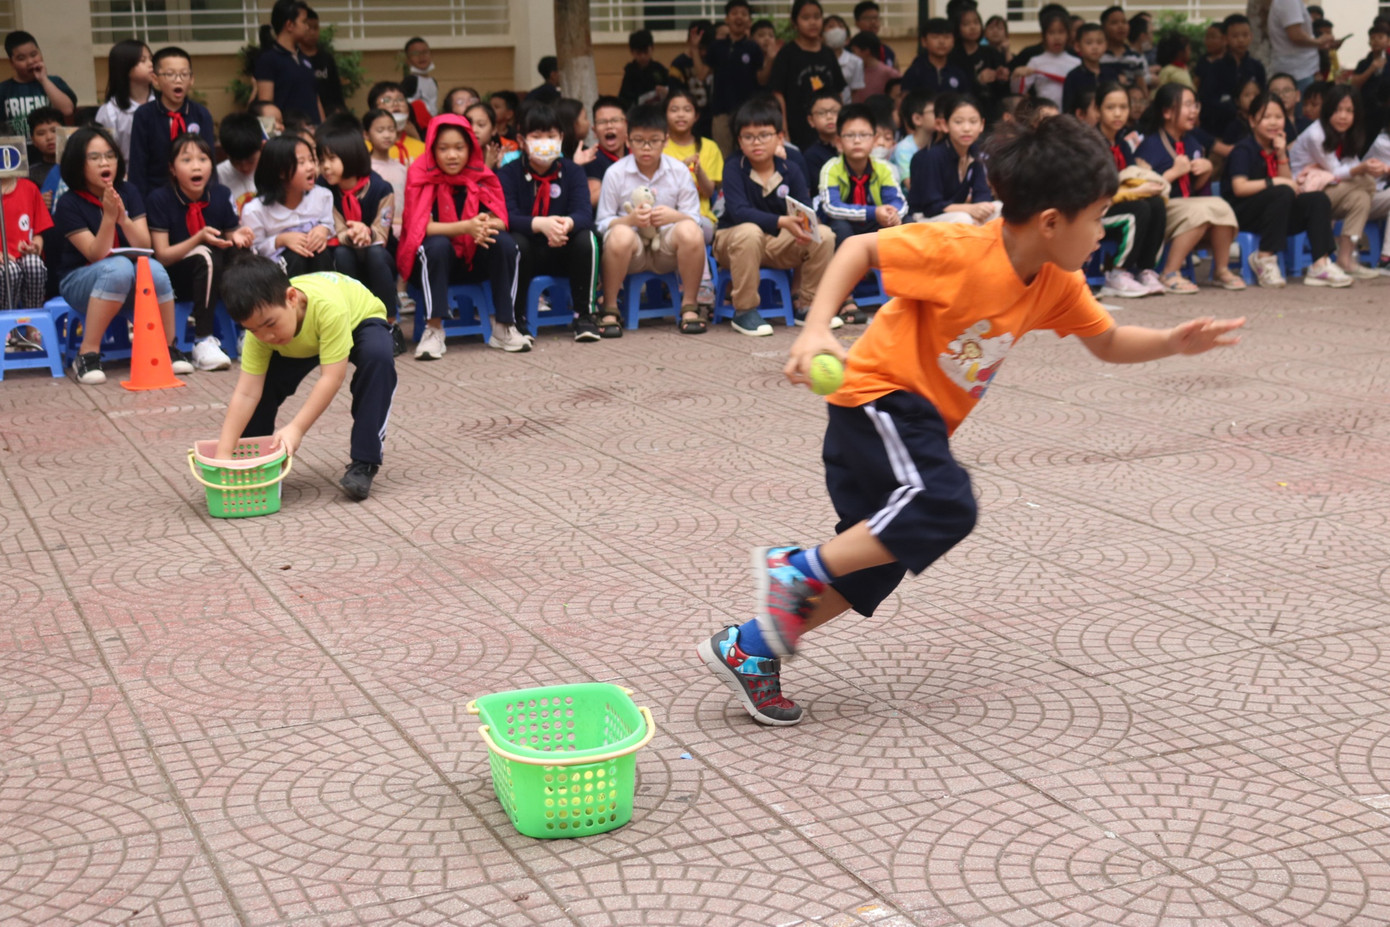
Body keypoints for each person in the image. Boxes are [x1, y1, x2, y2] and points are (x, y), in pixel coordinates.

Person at [696, 113, 1246, 727]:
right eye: (1097, 217)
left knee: (878, 560)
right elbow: (858, 248)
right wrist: (819, 328)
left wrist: (1174, 340)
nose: (1103, 231)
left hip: (916, 421)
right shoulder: (958, 248)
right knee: (947, 504)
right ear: (1050, 222)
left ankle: (748, 647)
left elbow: (1110, 342)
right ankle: (792, 571)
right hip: (880, 398)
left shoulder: (1056, 282)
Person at [216, 252, 396, 500]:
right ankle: (255, 462)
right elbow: (247, 392)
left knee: (378, 359)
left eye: (270, 324)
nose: (265, 336)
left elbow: (331, 378)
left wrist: (296, 429)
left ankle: (364, 462)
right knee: (263, 388)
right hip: (302, 338)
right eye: (253, 330)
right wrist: (223, 455)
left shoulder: (328, 309)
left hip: (358, 320)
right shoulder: (261, 334)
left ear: (291, 298)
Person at [53, 126, 193, 385]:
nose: (104, 162)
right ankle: (87, 355)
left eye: (110, 155)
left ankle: (168, 347)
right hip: (79, 282)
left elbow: (144, 243)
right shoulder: (68, 203)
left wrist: (123, 218)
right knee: (118, 267)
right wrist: (108, 219)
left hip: (127, 280)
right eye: (94, 157)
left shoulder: (128, 192)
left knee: (153, 269)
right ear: (77, 163)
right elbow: (96, 254)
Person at [397, 114, 530, 359]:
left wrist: (483, 226)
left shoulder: (481, 174)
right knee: (435, 245)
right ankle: (434, 330)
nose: (452, 155)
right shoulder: (420, 174)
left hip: (472, 259)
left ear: (470, 148)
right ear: (432, 149)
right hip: (432, 267)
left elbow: (502, 219)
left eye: (459, 148)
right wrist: (466, 227)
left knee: (503, 242)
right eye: (443, 148)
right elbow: (421, 228)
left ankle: (504, 326)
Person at [715, 96, 836, 337]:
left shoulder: (791, 169)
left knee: (824, 234)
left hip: (778, 243)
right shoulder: (733, 167)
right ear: (739, 141)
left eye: (764, 135)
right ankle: (745, 311)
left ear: (780, 137)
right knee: (750, 231)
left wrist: (805, 230)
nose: (756, 142)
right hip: (734, 242)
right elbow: (738, 211)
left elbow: (805, 210)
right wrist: (782, 222)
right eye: (748, 137)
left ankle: (808, 305)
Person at [595, 103, 706, 337]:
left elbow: (695, 218)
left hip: (666, 249)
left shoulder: (678, 171)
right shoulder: (616, 173)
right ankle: (611, 309)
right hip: (631, 251)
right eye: (639, 140)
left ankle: (689, 307)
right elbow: (602, 222)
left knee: (690, 230)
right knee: (620, 234)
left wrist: (673, 216)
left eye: (654, 141)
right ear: (628, 141)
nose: (646, 148)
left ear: (665, 140)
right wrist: (630, 220)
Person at [498, 102, 602, 343]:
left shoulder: (573, 171)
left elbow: (584, 212)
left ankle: (585, 315)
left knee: (587, 237)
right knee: (513, 242)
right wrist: (540, 224)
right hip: (529, 251)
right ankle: (517, 318)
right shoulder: (508, 173)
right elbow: (507, 216)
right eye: (537, 136)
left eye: (551, 136)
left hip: (564, 247)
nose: (545, 142)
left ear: (561, 137)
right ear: (522, 140)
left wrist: (565, 224)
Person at [147, 133, 250, 371]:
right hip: (176, 278)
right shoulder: (160, 199)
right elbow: (162, 254)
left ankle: (248, 332)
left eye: (203, 159)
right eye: (187, 160)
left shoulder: (221, 194)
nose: (196, 166)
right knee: (204, 254)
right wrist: (198, 238)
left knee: (243, 253)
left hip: (216, 273)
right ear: (172, 169)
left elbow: (229, 234)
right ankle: (202, 340)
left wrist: (238, 236)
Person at [1223, 90, 1346, 287]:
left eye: (1278, 117)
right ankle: (1263, 258)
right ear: (1253, 121)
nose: (1273, 122)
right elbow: (1239, 187)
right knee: (1282, 192)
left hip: (1275, 214)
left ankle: (1320, 264)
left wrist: (1281, 155)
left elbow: (1291, 186)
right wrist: (1274, 182)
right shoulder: (1243, 149)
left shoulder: (1277, 147)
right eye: (1266, 117)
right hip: (1241, 212)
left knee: (1317, 199)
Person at [1133, 83, 1242, 293]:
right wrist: (1174, 172)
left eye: (1195, 105)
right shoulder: (1150, 145)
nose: (1194, 111)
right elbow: (1143, 189)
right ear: (1167, 112)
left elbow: (1193, 188)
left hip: (1184, 206)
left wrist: (1207, 171)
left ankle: (1221, 270)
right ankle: (1170, 272)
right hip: (1160, 211)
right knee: (1199, 211)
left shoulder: (1192, 143)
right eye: (1188, 105)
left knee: (1221, 206)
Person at [314, 115, 403, 354]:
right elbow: (334, 227)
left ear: (352, 155)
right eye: (322, 160)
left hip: (379, 254)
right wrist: (354, 234)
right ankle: (352, 326)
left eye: (332, 158)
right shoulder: (324, 189)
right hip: (345, 252)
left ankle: (390, 327)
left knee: (374, 253)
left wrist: (367, 233)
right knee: (342, 254)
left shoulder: (381, 188)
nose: (325, 166)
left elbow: (382, 232)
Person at [816, 104, 902, 322]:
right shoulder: (831, 168)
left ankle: (904, 292)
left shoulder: (883, 168)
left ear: (874, 140)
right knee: (840, 228)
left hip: (874, 224)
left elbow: (899, 201)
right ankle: (846, 299)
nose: (856, 141)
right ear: (838, 141)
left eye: (863, 135)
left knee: (905, 223)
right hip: (844, 225)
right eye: (850, 135)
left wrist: (893, 213)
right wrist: (875, 213)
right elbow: (831, 206)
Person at [1289, 84, 1385, 277]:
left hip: (1332, 192)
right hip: (1307, 195)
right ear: (1328, 110)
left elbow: (1349, 167)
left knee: (1361, 197)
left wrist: (1365, 169)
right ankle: (1345, 256)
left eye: (1349, 111)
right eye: (1338, 110)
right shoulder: (1317, 134)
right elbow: (1337, 171)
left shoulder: (1347, 134)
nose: (1343, 116)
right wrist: (1363, 169)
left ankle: (1345, 260)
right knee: (1365, 182)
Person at [1094, 81, 1171, 297]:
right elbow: (1096, 192)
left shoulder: (1123, 143)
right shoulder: (1091, 143)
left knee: (1156, 204)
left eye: (1123, 107)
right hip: (1094, 211)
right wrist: (1134, 192)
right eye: (1110, 108)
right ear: (1097, 109)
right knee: (1138, 210)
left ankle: (1145, 270)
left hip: (1117, 203)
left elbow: (1129, 178)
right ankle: (1116, 273)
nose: (1117, 113)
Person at [241, 134, 335, 278]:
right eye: (301, 162)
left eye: (311, 160)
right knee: (294, 257)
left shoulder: (323, 196)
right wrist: (280, 240)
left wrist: (324, 229)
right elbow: (256, 251)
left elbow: (330, 225)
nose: (311, 167)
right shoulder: (255, 210)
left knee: (321, 253)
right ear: (281, 171)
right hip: (280, 275)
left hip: (318, 262)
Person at [127, 46, 215, 197]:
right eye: (170, 74)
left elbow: (209, 160)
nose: (178, 80)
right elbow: (138, 166)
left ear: (191, 79)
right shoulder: (144, 115)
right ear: (155, 80)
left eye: (184, 74)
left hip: (194, 195)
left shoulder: (201, 114)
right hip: (156, 194)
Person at [908, 94, 998, 227]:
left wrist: (981, 209)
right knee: (963, 219)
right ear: (945, 125)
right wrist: (970, 209)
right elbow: (932, 206)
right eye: (958, 122)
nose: (966, 128)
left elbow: (982, 193)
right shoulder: (931, 156)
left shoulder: (975, 152)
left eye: (973, 121)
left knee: (998, 208)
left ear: (981, 125)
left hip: (954, 214)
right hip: (923, 218)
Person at [769, 0, 847, 150]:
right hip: (797, 128)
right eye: (806, 18)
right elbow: (778, 94)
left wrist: (842, 124)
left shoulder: (828, 53)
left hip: (829, 127)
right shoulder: (787, 54)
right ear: (795, 22)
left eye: (817, 17)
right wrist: (783, 130)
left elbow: (838, 93)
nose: (812, 22)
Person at [708, 0, 769, 156]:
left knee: (748, 153)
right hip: (721, 111)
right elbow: (703, 74)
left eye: (743, 14)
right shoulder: (716, 46)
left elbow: (761, 80)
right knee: (723, 155)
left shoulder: (753, 47)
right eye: (734, 13)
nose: (739, 17)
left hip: (747, 112)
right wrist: (694, 48)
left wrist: (771, 57)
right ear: (727, 18)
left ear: (749, 20)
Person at [665, 87, 724, 238]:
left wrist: (699, 172)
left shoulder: (709, 147)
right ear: (665, 114)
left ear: (696, 116)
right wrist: (681, 167)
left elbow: (709, 192)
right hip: (663, 215)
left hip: (699, 217)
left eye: (687, 109)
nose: (680, 115)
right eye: (674, 110)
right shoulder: (658, 145)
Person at [254, 0, 323, 125]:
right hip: (287, 135)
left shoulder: (305, 59)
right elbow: (265, 105)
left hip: (312, 130)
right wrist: (272, 140)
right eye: (304, 22)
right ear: (290, 25)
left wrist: (323, 129)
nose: (307, 27)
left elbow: (315, 99)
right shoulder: (268, 59)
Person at [1199, 14, 1267, 136]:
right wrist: (1232, 109)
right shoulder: (1215, 68)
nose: (1241, 40)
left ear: (1251, 36)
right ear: (1225, 39)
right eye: (1235, 36)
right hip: (1221, 128)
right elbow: (1207, 99)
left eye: (1245, 35)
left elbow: (1263, 95)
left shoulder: (1257, 67)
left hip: (1252, 128)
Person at [0, 30, 77, 137]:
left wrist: (43, 79)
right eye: (21, 58)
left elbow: (67, 111)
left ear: (40, 54)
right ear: (12, 63)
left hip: (52, 146)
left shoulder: (55, 82)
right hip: (18, 150)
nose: (30, 61)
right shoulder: (4, 89)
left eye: (34, 55)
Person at [95, 41, 155, 164]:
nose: (151, 64)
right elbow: (106, 151)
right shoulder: (110, 111)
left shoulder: (162, 102)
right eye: (143, 61)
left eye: (151, 59)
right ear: (125, 67)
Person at [0, 174, 50, 311]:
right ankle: (5, 324)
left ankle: (33, 324)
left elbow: (38, 232)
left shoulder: (29, 188)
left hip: (23, 256)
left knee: (34, 264)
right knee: (10, 271)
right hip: (4, 264)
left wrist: (35, 246)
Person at [1012, 10, 1079, 108]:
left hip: (1070, 113)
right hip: (1044, 113)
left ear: (1068, 35)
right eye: (1051, 33)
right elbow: (1018, 92)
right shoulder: (1036, 62)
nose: (1057, 37)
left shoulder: (1076, 62)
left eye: (1061, 32)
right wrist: (1016, 76)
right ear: (1043, 36)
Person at [1267, 0, 1338, 91]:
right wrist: (1318, 41)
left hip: (1302, 70)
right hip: (1298, 73)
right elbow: (1296, 35)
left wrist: (1318, 45)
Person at [950, 7, 1007, 113]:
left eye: (976, 23)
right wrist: (978, 80)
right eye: (966, 24)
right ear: (957, 28)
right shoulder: (953, 55)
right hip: (962, 108)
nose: (973, 27)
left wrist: (1001, 76)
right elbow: (955, 87)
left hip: (991, 107)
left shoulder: (991, 52)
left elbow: (1003, 90)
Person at [364, 108, 408, 239]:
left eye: (391, 129)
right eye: (380, 130)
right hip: (377, 232)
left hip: (404, 230)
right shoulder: (366, 168)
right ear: (366, 135)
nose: (387, 135)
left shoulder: (401, 168)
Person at [902, 18, 973, 96]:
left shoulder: (958, 72)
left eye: (947, 37)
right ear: (924, 42)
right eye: (935, 37)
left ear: (953, 42)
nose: (941, 42)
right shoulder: (915, 72)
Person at [669, 21, 714, 136]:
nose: (703, 52)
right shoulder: (679, 64)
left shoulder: (713, 60)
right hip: (690, 119)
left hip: (711, 117)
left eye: (706, 48)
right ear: (689, 41)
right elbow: (674, 93)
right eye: (700, 48)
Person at [298, 8, 345, 117]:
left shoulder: (326, 58)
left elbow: (336, 91)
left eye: (316, 28)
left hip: (329, 113)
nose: (313, 32)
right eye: (309, 27)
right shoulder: (295, 58)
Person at [216, 112, 263, 215]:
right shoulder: (219, 175)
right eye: (236, 162)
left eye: (251, 160)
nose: (245, 167)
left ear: (262, 146)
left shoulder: (274, 168)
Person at [368, 82, 426, 164]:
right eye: (387, 100)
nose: (395, 103)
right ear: (374, 110)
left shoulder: (423, 148)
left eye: (400, 99)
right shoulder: (364, 148)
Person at [585, 96, 628, 207]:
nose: (609, 126)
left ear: (627, 125)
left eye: (615, 120)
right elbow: (591, 199)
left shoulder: (637, 155)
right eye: (602, 122)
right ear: (594, 131)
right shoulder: (592, 158)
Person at [1062, 23, 1109, 116]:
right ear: (1077, 46)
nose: (1095, 47)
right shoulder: (1073, 77)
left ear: (1106, 45)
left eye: (1099, 42)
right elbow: (1068, 109)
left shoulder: (1111, 73)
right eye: (1089, 43)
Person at [802, 88, 841, 196]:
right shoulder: (811, 156)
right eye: (822, 113)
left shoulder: (856, 145)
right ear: (811, 121)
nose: (829, 117)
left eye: (834, 111)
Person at [619, 29, 670, 109]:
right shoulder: (630, 72)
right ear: (632, 52)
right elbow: (624, 99)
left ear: (652, 49)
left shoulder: (659, 69)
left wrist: (666, 92)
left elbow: (672, 90)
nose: (643, 56)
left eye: (645, 52)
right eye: (639, 53)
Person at [1098, 6, 1147, 86]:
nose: (1121, 26)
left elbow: (1141, 84)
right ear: (1103, 28)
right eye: (1114, 23)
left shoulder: (1135, 56)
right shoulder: (1098, 56)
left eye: (1124, 22)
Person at [892, 91, 933, 185]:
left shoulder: (939, 144)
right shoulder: (903, 148)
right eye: (934, 112)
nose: (940, 116)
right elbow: (911, 185)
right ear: (917, 119)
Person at [465, 101, 519, 172]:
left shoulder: (503, 157)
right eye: (469, 124)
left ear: (494, 129)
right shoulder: (459, 157)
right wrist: (488, 166)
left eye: (481, 125)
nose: (474, 130)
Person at [25, 106, 62, 207]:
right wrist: (37, 202)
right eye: (41, 133)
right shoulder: (30, 174)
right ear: (33, 141)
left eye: (54, 131)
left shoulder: (81, 166)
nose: (49, 137)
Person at [822, 14, 864, 103]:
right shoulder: (815, 59)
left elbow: (855, 92)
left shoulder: (856, 62)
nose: (837, 30)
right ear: (821, 36)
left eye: (841, 26)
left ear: (847, 38)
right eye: (831, 26)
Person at [849, 32, 901, 103]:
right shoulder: (853, 71)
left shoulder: (889, 73)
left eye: (854, 51)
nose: (851, 56)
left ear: (866, 51)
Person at [853, 1, 898, 69]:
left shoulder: (887, 51)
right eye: (868, 18)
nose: (873, 22)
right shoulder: (851, 49)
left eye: (876, 18)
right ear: (857, 23)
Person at [401, 37, 438, 117]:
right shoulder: (410, 81)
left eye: (425, 52)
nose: (421, 57)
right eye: (415, 53)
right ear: (407, 59)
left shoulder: (432, 81)